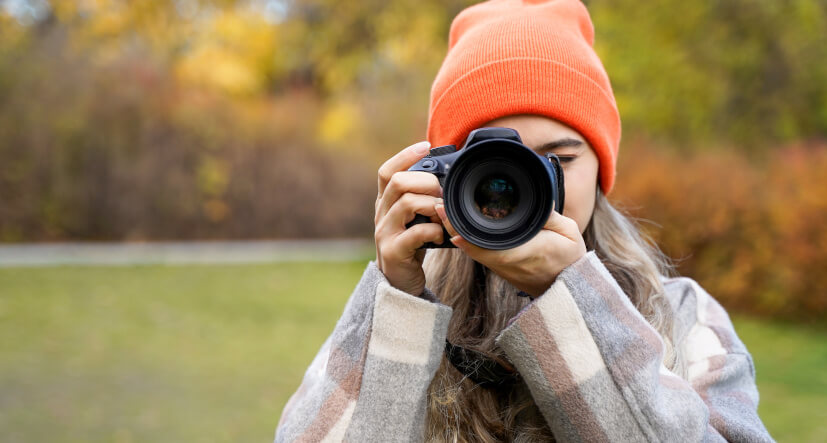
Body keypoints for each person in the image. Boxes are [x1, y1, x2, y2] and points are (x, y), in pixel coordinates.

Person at [275, 0, 774, 441]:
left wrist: (576, 300)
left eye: (558, 160)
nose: (519, 188)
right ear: (443, 174)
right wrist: (397, 301)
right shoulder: (401, 306)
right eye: (496, 167)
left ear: (603, 167)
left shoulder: (682, 314)